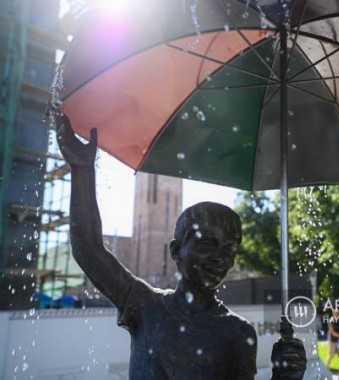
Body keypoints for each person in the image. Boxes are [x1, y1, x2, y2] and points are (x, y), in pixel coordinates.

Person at [54, 112, 305, 380]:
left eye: (230, 249)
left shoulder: (237, 332)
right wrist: (82, 170)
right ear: (176, 251)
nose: (220, 258)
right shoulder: (146, 305)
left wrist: (283, 378)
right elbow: (89, 251)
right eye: (208, 243)